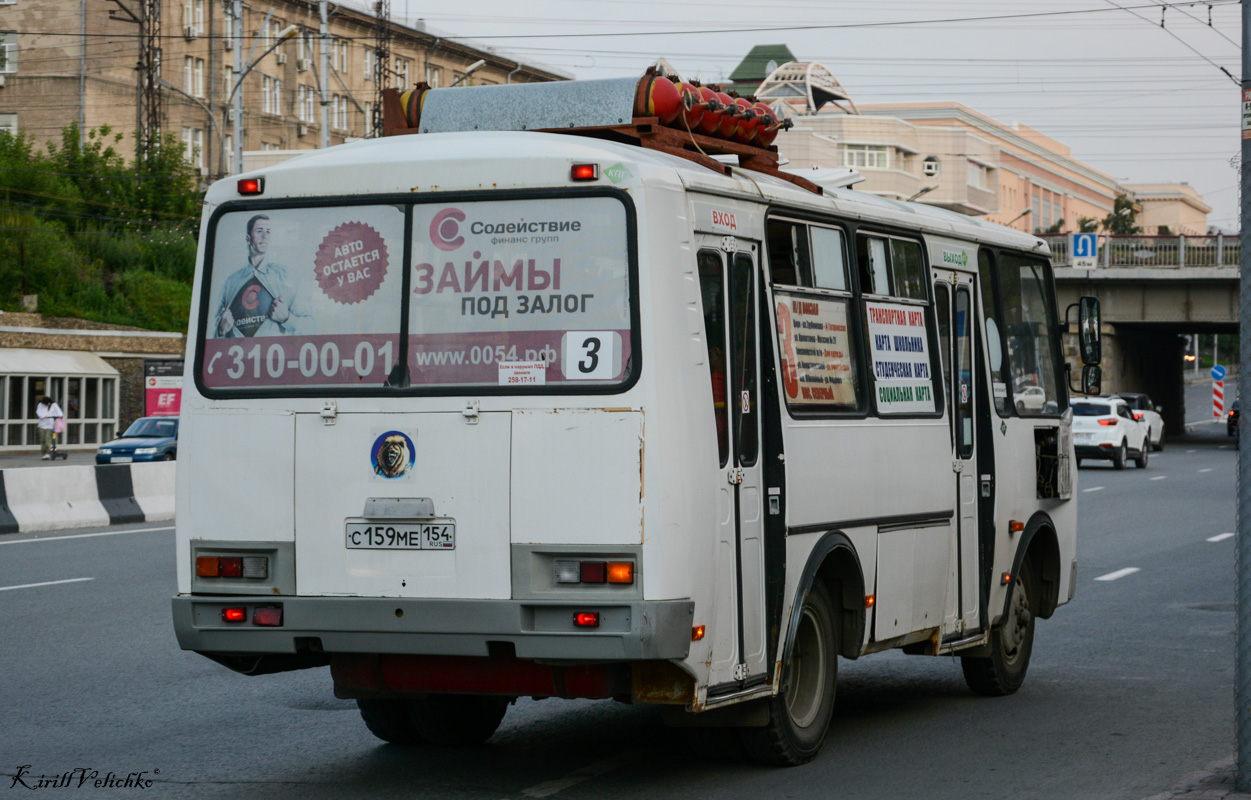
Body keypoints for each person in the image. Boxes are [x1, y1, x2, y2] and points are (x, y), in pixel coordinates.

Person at [214, 214, 308, 337]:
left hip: (275, 353)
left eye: (268, 232)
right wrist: (221, 330)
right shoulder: (231, 282)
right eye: (259, 231)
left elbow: (311, 326)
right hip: (238, 353)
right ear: (248, 239)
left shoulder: (285, 277)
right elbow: (211, 330)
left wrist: (287, 318)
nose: (265, 236)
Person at [35, 396, 63, 460]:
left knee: (48, 438)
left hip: (50, 425)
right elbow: (38, 412)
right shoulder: (40, 405)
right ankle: (44, 453)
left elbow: (59, 412)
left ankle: (47, 453)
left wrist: (60, 416)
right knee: (42, 440)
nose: (47, 405)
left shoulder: (54, 405)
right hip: (42, 425)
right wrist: (44, 416)